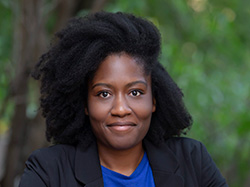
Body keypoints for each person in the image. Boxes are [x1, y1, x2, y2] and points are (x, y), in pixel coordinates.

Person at [19, 11, 228, 187]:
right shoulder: (48, 171)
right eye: (104, 94)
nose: (120, 109)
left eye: (135, 92)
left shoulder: (192, 159)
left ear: (154, 100)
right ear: (85, 104)